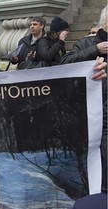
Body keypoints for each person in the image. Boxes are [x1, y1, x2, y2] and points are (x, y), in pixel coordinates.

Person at [61, 5, 108, 193]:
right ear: (106, 22)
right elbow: (64, 65)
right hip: (96, 117)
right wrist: (94, 51)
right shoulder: (87, 43)